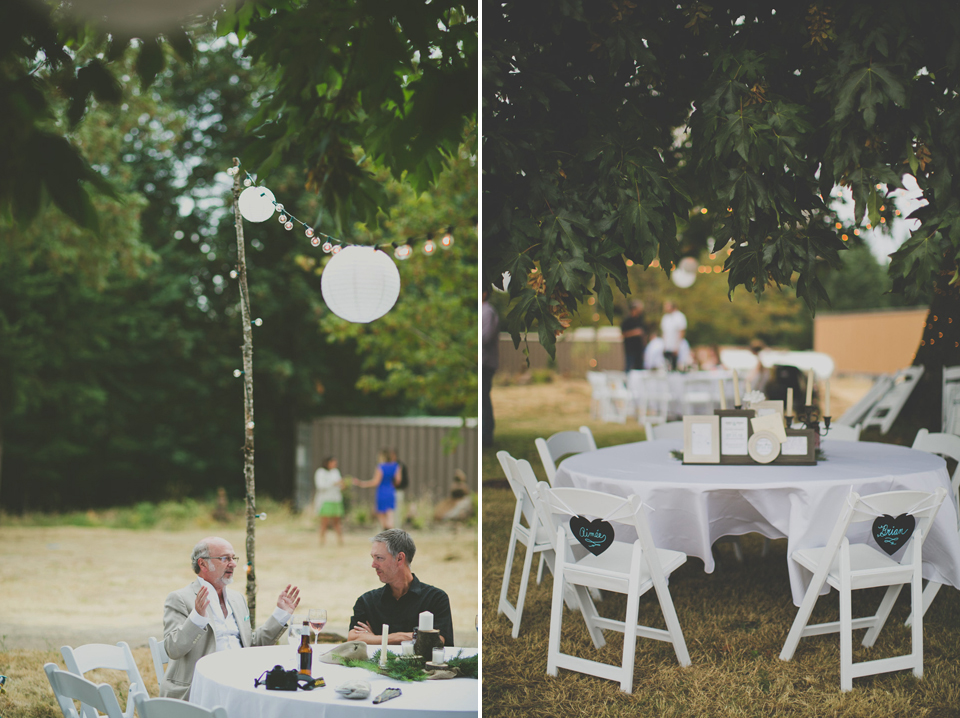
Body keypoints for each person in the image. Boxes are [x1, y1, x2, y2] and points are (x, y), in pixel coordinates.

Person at [161, 536, 300, 700]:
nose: (233, 564)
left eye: (233, 558)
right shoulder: (180, 598)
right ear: (203, 564)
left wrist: (280, 614)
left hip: (241, 681)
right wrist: (197, 618)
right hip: (202, 688)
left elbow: (252, 645)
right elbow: (173, 649)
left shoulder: (237, 599)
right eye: (225, 558)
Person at [347, 528, 454, 646]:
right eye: (373, 557)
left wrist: (376, 639)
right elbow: (352, 639)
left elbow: (437, 641)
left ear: (399, 558)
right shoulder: (366, 601)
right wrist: (412, 636)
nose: (373, 565)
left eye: (379, 558)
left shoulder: (436, 599)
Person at [353, 449, 400, 529]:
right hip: (391, 491)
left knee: (381, 514)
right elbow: (398, 480)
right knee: (390, 513)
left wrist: (361, 483)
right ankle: (391, 532)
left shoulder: (380, 467)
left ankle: (386, 530)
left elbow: (375, 482)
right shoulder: (396, 466)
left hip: (381, 491)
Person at [314, 456, 347, 546]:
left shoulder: (335, 472)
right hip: (325, 500)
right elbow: (320, 486)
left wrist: (343, 485)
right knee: (324, 522)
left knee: (337, 522)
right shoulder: (320, 472)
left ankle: (340, 541)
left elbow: (340, 485)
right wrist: (333, 483)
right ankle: (322, 540)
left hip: (336, 499)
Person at [482, 286, 499, 447]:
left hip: (486, 363)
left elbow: (485, 338)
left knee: (484, 400)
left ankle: (486, 437)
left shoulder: (488, 312)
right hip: (482, 363)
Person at [660, 301, 687, 371]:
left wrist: (677, 345)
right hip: (667, 347)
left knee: (677, 365)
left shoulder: (679, 316)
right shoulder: (665, 318)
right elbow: (664, 333)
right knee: (668, 366)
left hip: (676, 346)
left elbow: (681, 331)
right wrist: (664, 345)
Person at [620, 300, 647, 371]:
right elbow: (623, 334)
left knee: (639, 368)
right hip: (630, 349)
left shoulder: (640, 320)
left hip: (639, 349)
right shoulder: (627, 321)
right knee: (629, 366)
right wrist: (635, 332)